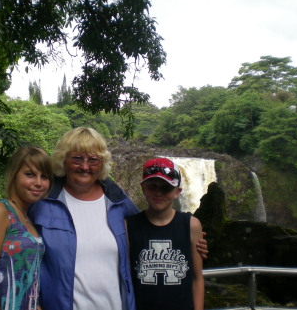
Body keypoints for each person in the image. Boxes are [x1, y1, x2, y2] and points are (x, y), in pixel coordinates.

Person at [28, 127, 208, 310]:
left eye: (92, 160)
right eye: (76, 158)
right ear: (63, 160)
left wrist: (194, 242)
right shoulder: (41, 205)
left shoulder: (119, 203)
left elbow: (152, 230)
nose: (84, 166)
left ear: (102, 163)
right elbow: (20, 253)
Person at [0, 145, 54, 310]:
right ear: (14, 175)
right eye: (30, 174)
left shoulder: (28, 219)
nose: (38, 183)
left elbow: (30, 280)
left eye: (44, 176)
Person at [126, 158, 205, 310]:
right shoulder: (129, 226)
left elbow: (197, 278)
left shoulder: (191, 225)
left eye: (166, 188)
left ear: (177, 192)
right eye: (153, 186)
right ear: (143, 188)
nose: (159, 192)